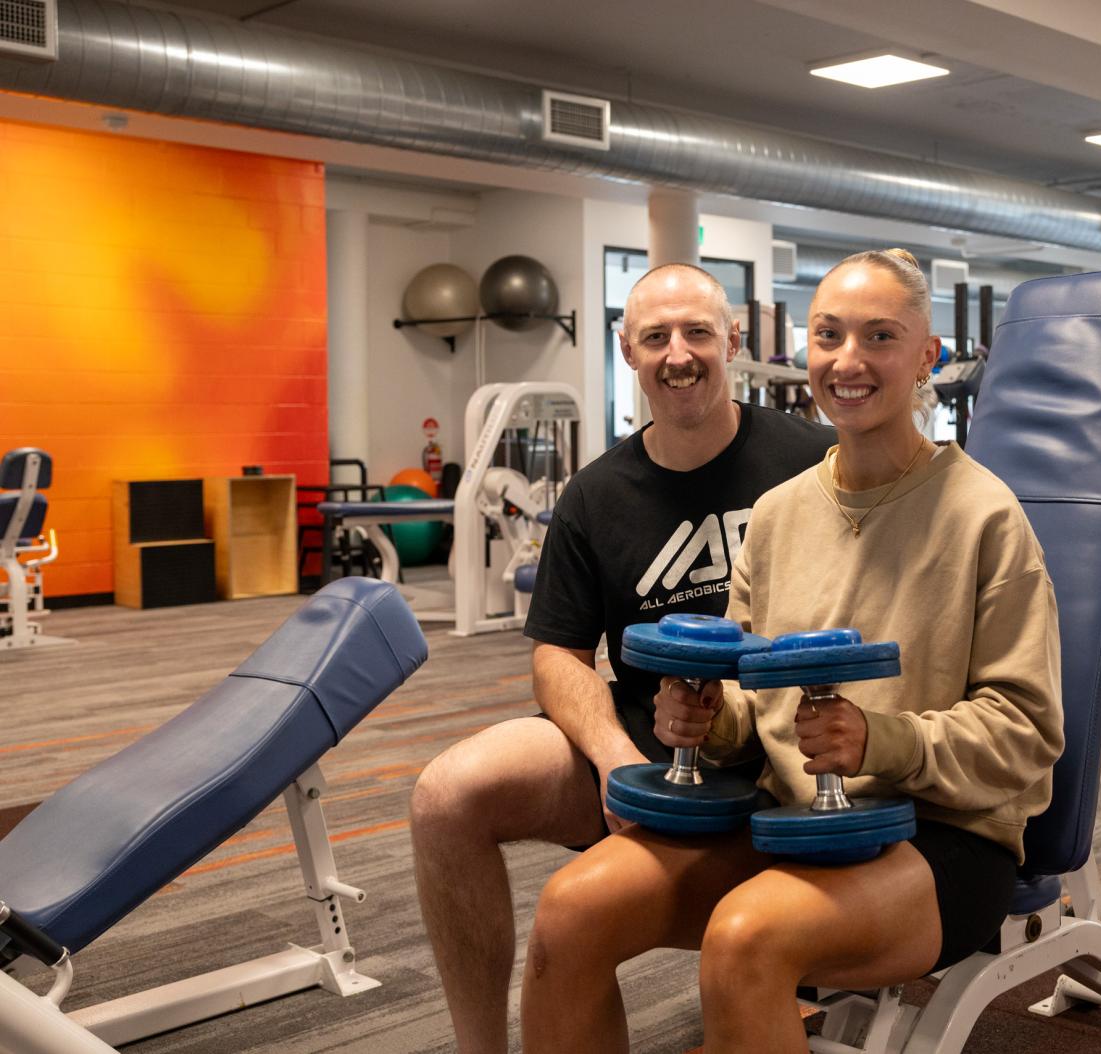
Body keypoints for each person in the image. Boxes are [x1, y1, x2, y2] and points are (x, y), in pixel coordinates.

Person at [521, 249, 1063, 1053]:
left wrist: (880, 739)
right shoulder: (777, 513)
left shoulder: (985, 514)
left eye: (880, 336)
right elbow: (752, 698)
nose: (848, 360)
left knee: (746, 938)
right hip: (789, 819)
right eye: (829, 335)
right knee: (572, 910)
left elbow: (1028, 732)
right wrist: (708, 717)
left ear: (927, 355)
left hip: (943, 834)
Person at [409, 262, 834, 1054]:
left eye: (697, 332)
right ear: (627, 350)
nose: (678, 354)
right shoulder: (595, 495)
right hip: (650, 741)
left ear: (732, 342)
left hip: (785, 747)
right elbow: (558, 656)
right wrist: (613, 758)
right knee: (446, 797)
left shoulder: (817, 459)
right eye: (656, 336)